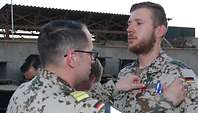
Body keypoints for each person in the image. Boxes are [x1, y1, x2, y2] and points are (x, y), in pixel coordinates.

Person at [6, 20, 144, 113]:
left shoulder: (22, 91)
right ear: (73, 58)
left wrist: (116, 86)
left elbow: (75, 96)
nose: (92, 60)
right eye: (90, 53)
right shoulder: (85, 109)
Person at [90, 1, 198, 113]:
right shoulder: (125, 73)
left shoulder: (181, 75)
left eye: (138, 23)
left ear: (159, 31)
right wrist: (116, 87)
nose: (129, 29)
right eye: (129, 24)